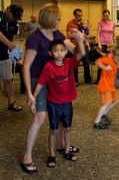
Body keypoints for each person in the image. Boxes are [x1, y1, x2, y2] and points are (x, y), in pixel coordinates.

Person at [21, 4, 81, 174]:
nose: (60, 21)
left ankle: (62, 145)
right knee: (40, 117)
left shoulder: (57, 35)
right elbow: (26, 67)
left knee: (62, 110)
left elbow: (74, 51)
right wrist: (30, 94)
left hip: (55, 79)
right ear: (50, 19)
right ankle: (27, 156)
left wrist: (80, 40)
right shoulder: (35, 38)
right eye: (58, 19)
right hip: (37, 79)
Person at [31, 38, 85, 167]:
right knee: (54, 130)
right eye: (55, 51)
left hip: (67, 103)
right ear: (50, 53)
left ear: (66, 51)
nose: (59, 53)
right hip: (53, 103)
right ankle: (52, 154)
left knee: (67, 128)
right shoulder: (48, 67)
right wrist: (33, 98)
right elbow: (41, 82)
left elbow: (81, 54)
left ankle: (67, 151)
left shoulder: (69, 63)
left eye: (61, 50)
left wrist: (80, 41)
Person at [0, 4, 24, 112]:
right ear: (8, 10)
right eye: (13, 16)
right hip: (5, 48)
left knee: (8, 79)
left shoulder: (14, 22)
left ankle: (11, 102)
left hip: (3, 54)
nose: (14, 19)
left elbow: (12, 37)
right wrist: (10, 45)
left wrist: (12, 49)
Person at [93, 45, 119, 129]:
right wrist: (105, 67)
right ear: (113, 55)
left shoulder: (116, 61)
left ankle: (103, 114)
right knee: (107, 103)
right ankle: (96, 122)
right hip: (105, 85)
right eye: (117, 56)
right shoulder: (109, 60)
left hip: (111, 86)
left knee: (116, 100)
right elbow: (97, 61)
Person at [66, 9, 92, 85]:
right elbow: (68, 35)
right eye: (79, 16)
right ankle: (75, 81)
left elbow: (87, 34)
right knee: (75, 64)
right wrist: (77, 34)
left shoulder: (83, 23)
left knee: (86, 62)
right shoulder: (70, 23)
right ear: (75, 15)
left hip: (84, 46)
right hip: (75, 46)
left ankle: (88, 79)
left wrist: (86, 36)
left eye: (81, 15)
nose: (80, 17)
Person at [96, 9, 116, 83]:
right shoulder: (100, 23)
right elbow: (98, 34)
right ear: (103, 16)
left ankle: (109, 79)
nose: (106, 16)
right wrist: (99, 44)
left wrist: (115, 43)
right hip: (103, 44)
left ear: (109, 15)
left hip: (110, 44)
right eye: (105, 15)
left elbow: (114, 34)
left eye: (107, 15)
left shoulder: (113, 23)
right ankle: (99, 79)